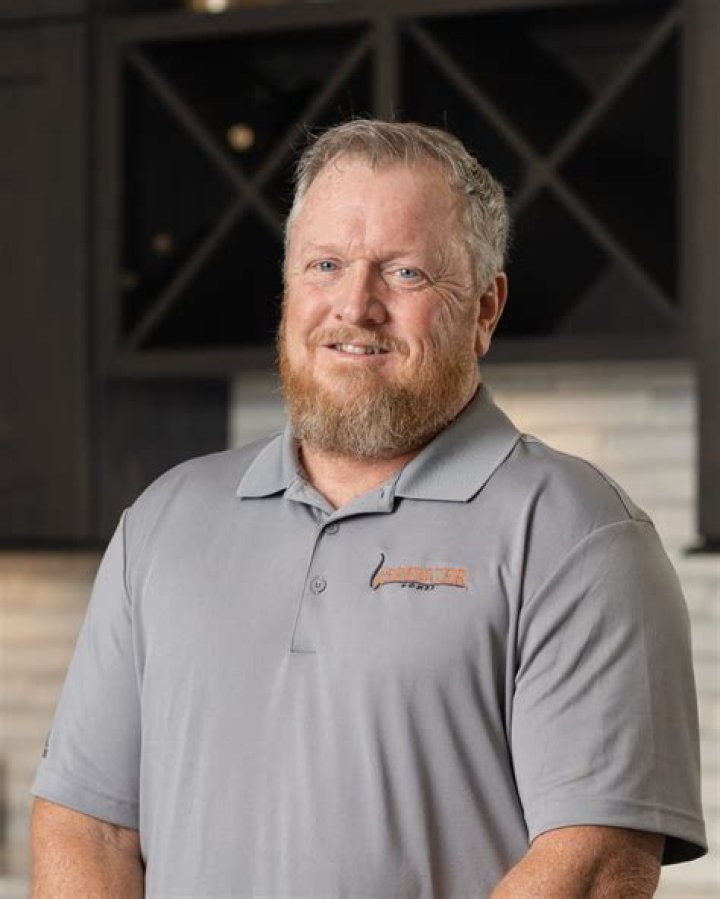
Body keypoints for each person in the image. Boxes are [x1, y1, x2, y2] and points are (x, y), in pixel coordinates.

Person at [31, 120, 706, 898]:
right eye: (325, 265)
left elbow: (591, 860)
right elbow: (89, 824)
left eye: (405, 272)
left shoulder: (580, 535)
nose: (355, 306)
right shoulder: (164, 520)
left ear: (485, 309)